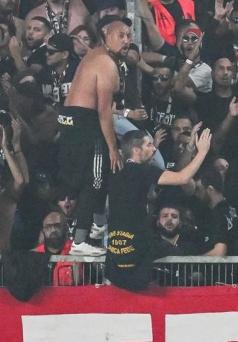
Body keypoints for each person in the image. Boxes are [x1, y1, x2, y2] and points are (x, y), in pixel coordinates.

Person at [57, 16, 133, 256]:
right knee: (95, 178)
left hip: (69, 119)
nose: (127, 40)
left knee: (98, 175)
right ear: (105, 34)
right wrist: (112, 147)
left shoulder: (95, 55)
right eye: (121, 35)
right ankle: (80, 240)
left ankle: (99, 225)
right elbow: (103, 111)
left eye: (129, 36)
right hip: (84, 121)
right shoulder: (107, 63)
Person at [107, 128, 213, 291]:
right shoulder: (143, 171)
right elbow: (182, 177)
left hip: (115, 249)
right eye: (149, 145)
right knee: (180, 256)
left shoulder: (115, 175)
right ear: (136, 151)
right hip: (139, 247)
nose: (154, 148)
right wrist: (203, 151)